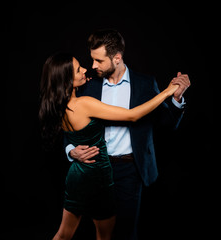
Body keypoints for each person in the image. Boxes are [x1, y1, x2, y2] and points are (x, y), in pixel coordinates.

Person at [64, 29, 191, 240]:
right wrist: (70, 150)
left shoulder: (145, 84)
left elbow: (167, 124)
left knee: (125, 232)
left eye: (98, 60)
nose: (93, 66)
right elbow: (71, 121)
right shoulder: (88, 85)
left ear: (117, 58)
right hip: (94, 168)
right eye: (92, 59)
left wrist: (176, 99)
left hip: (130, 170)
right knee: (93, 232)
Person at [38, 52, 179, 240]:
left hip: (77, 175)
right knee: (106, 236)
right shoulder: (84, 103)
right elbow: (133, 115)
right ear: (66, 79)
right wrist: (167, 92)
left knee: (63, 234)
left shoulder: (60, 105)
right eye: (79, 69)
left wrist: (72, 151)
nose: (86, 70)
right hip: (99, 176)